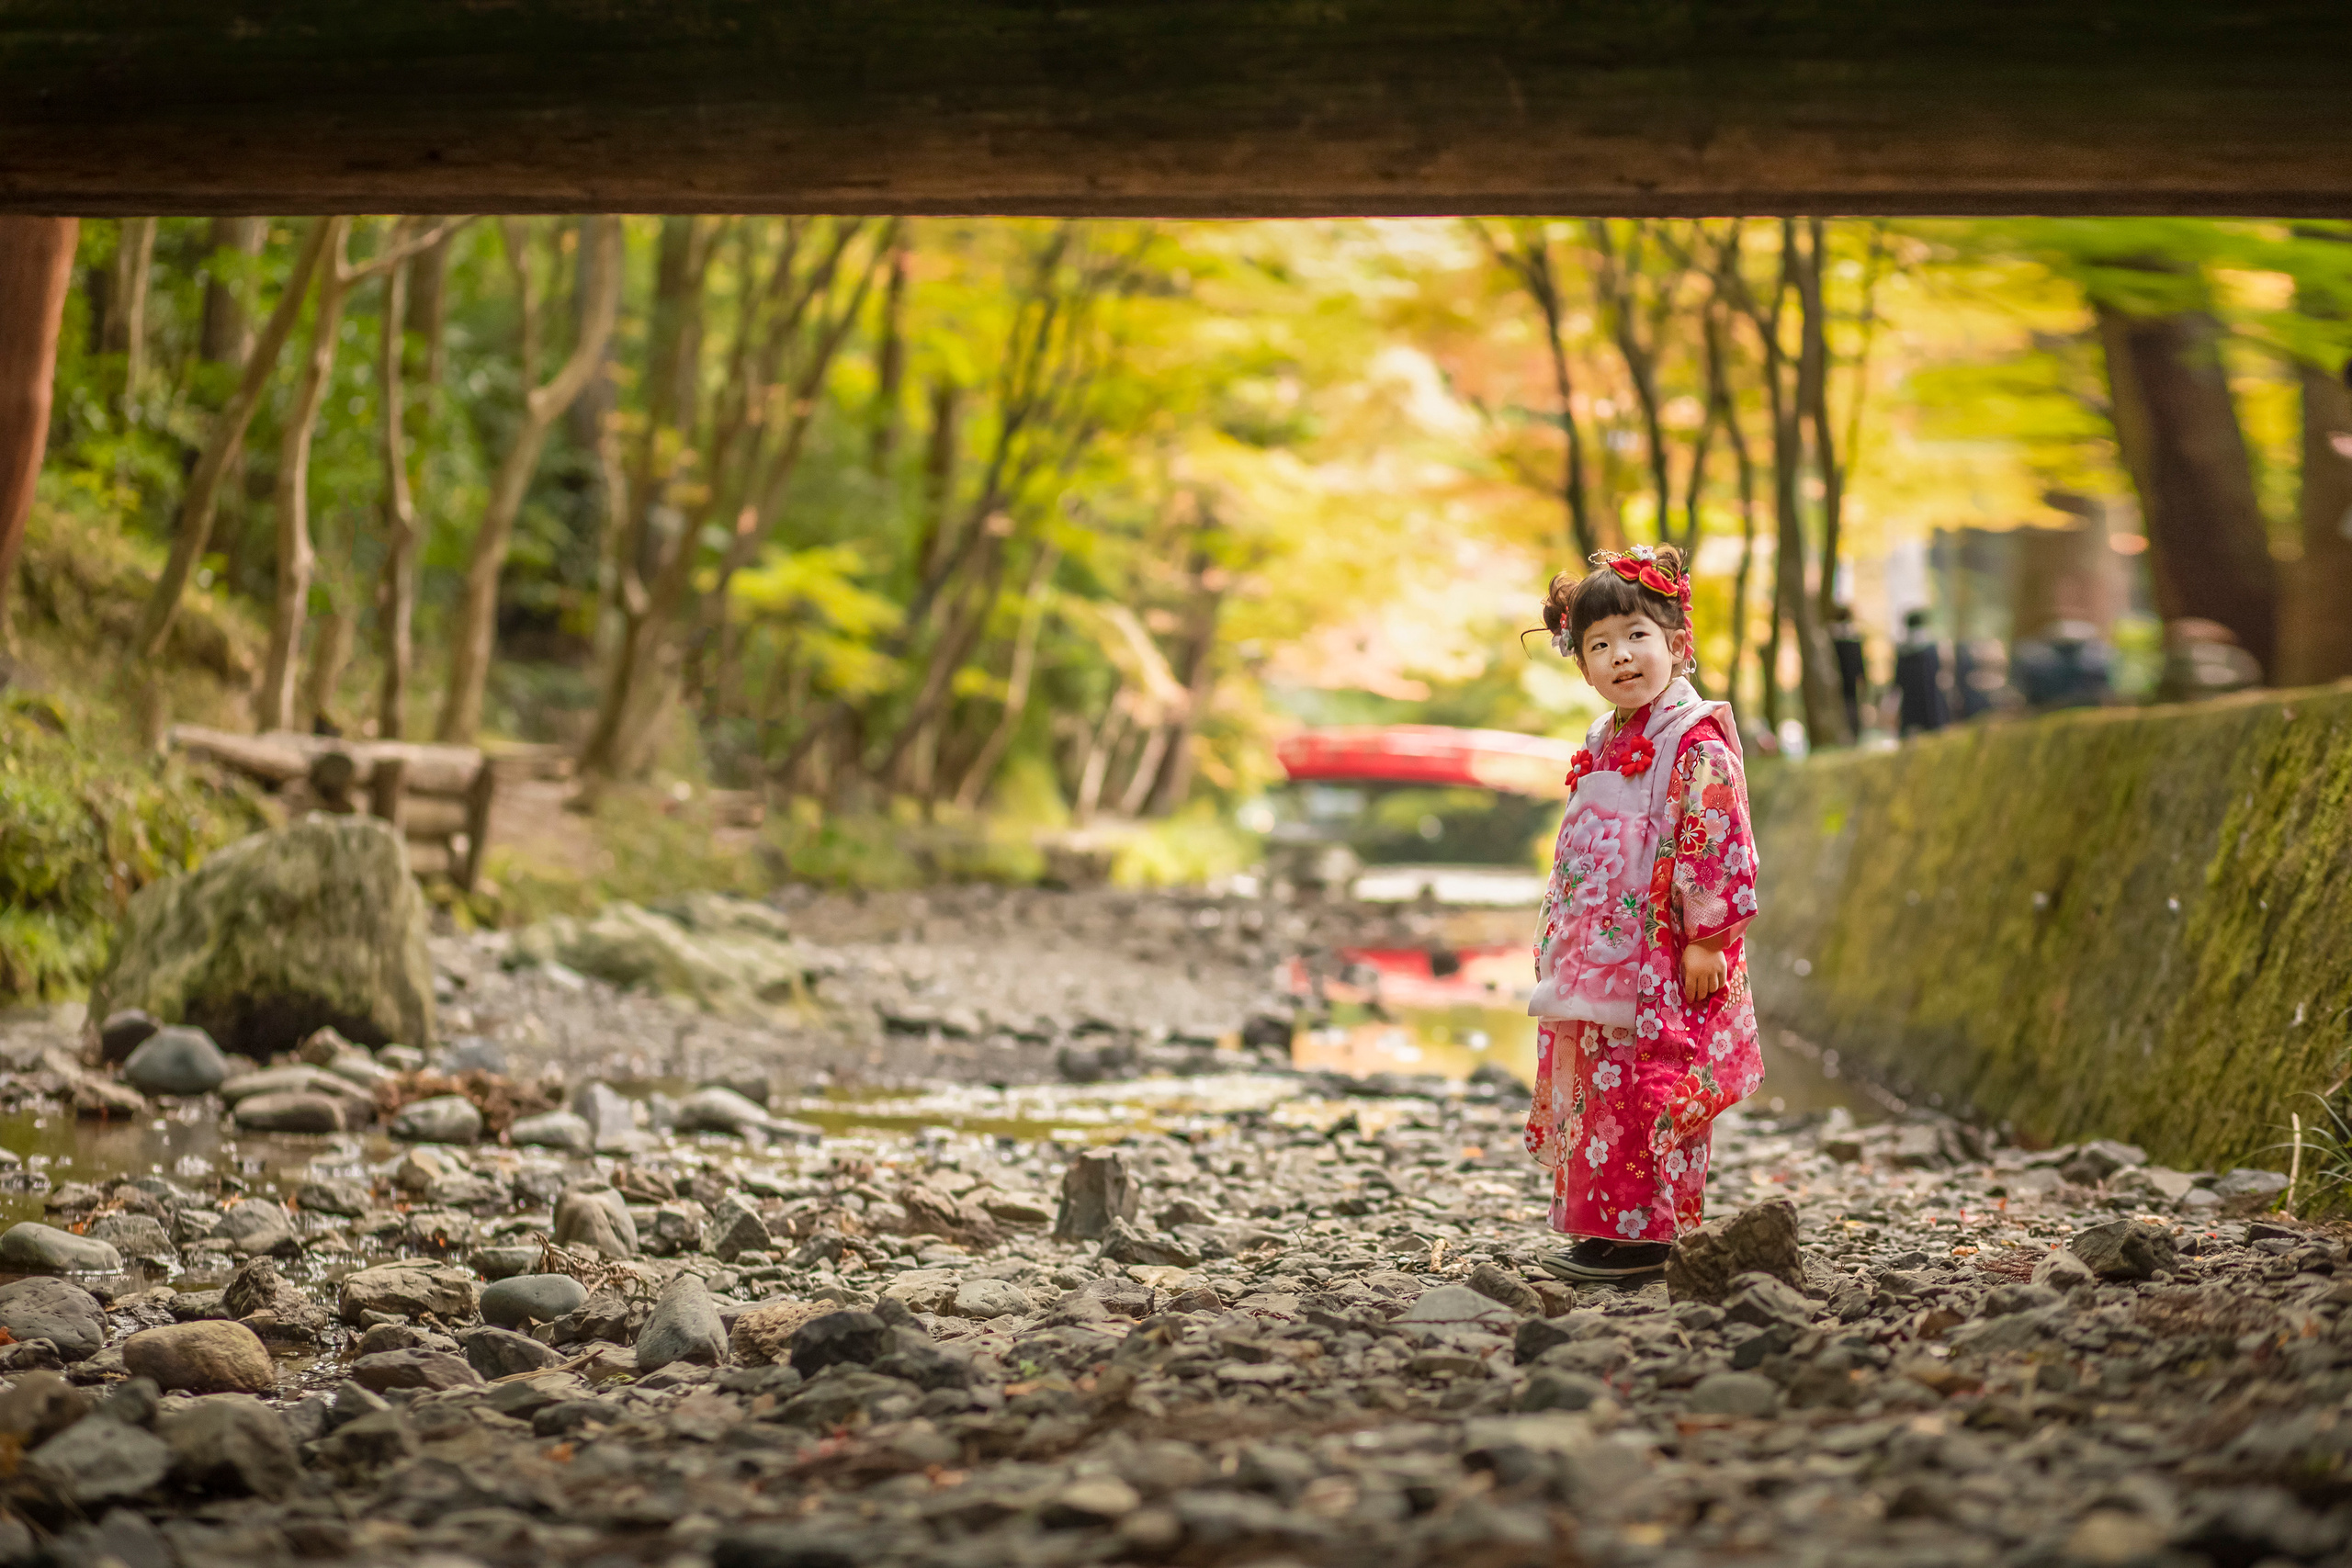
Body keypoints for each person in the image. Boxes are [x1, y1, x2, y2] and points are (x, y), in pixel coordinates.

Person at [1523, 545, 1763, 1283]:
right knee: (1599, 1083)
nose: (1621, 657)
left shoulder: (1695, 743)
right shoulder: (1605, 740)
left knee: (1653, 1081)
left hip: (1665, 951)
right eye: (1600, 645)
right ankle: (1600, 1226)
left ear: (1676, 644)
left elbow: (1715, 835)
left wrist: (1708, 938)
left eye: (1636, 636)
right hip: (1602, 950)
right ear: (1583, 664)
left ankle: (1652, 1234)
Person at [1894, 608, 1950, 737]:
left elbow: (1898, 680)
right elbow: (1938, 673)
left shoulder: (1903, 650)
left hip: (1910, 701)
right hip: (1929, 699)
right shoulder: (1930, 649)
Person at [1827, 604, 1868, 740]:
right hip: (1848, 683)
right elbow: (1859, 663)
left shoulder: (1831, 639)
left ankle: (1848, 735)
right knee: (1850, 708)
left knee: (1846, 708)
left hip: (1838, 683)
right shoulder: (1852, 639)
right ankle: (1851, 735)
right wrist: (1863, 679)